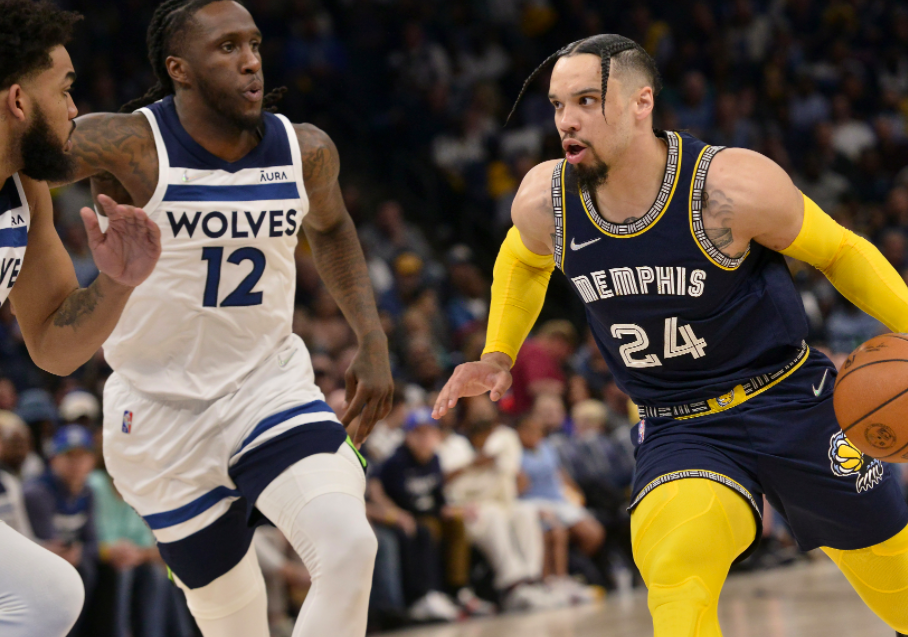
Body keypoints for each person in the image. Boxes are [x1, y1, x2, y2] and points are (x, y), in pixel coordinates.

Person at [433, 34, 908, 635]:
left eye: (585, 101)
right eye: (557, 105)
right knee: (675, 580)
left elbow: (839, 251)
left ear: (642, 102)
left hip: (791, 401)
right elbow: (522, 259)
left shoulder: (728, 187)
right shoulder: (545, 201)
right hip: (680, 425)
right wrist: (498, 352)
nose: (566, 121)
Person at [62, 1, 394, 636]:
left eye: (254, 45)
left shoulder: (305, 149)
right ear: (179, 69)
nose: (250, 62)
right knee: (234, 619)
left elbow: (331, 227)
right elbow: (19, 158)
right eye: (227, 47)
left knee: (350, 547)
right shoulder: (131, 144)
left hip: (266, 387)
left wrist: (371, 337)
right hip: (159, 414)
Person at [0, 2, 161, 635]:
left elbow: (53, 345)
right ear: (18, 100)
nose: (74, 109)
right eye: (64, 89)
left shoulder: (24, 191)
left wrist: (116, 283)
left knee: (49, 597)